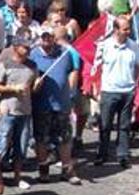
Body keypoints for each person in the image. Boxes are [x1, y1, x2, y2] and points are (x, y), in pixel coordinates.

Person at [29, 27, 80, 183]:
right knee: (41, 139)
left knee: (65, 138)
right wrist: (33, 85)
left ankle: (67, 170)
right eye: (43, 36)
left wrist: (71, 90)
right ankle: (44, 170)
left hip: (62, 104)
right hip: (42, 105)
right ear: (39, 38)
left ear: (54, 37)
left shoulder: (64, 53)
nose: (46, 39)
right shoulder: (33, 55)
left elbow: (72, 71)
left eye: (49, 36)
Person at [95, 17, 139, 169]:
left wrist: (135, 84)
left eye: (129, 28)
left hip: (127, 91)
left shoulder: (134, 46)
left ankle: (122, 155)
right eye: (125, 29)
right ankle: (102, 154)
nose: (128, 32)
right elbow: (96, 67)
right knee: (105, 125)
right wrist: (97, 87)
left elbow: (138, 66)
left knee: (124, 126)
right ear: (116, 30)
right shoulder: (105, 45)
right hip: (109, 90)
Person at [0, 36, 36, 187]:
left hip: (25, 111)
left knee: (21, 146)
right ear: (16, 47)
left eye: (29, 47)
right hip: (8, 110)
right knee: (2, 145)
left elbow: (33, 89)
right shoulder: (5, 65)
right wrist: (13, 89)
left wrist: (37, 85)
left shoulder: (32, 66)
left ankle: (18, 178)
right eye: (25, 47)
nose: (28, 50)